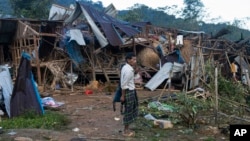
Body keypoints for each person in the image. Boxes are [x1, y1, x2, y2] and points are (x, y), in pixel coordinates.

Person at [120, 52, 138, 137]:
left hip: (130, 90)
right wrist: (123, 96)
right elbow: (124, 84)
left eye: (135, 59)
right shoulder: (129, 70)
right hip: (129, 91)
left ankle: (127, 128)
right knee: (128, 111)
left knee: (130, 109)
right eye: (133, 59)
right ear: (128, 60)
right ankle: (125, 131)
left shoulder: (125, 67)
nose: (135, 61)